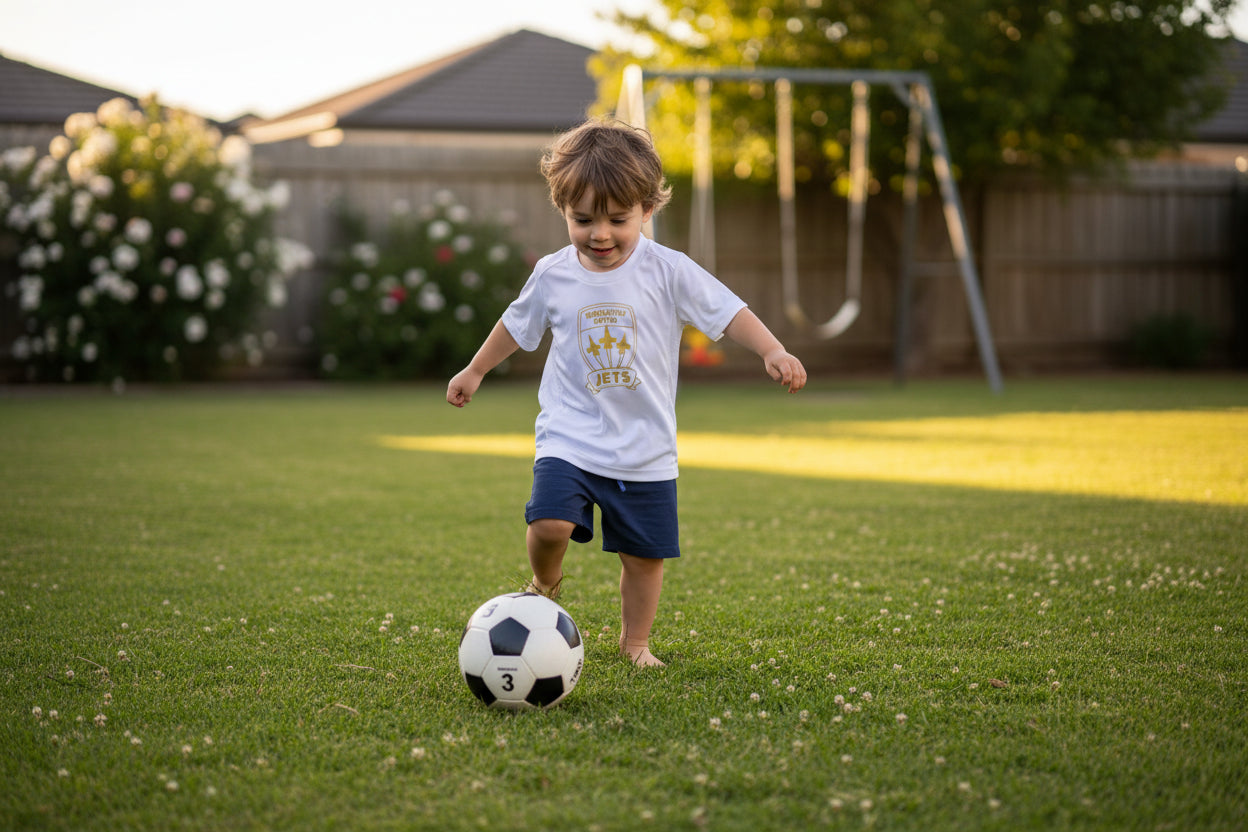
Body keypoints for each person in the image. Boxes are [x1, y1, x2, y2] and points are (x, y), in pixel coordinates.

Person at [447, 119, 806, 667]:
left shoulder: (669, 270)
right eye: (582, 219)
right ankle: (545, 583)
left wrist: (772, 350)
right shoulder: (553, 274)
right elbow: (515, 327)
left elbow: (728, 310)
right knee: (547, 524)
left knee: (644, 557)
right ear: (563, 210)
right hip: (570, 434)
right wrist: (474, 370)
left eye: (617, 219)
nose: (600, 234)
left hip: (645, 445)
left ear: (646, 210)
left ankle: (635, 642)